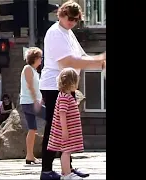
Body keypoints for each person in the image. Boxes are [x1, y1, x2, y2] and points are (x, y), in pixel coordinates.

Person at [38, 1, 106, 179]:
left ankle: (67, 168)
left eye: (76, 20)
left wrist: (98, 61)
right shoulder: (55, 33)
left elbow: (81, 56)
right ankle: (46, 170)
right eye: (70, 18)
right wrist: (98, 60)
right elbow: (68, 61)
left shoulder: (68, 33)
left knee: (67, 126)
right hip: (55, 86)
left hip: (68, 86)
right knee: (55, 128)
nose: (73, 22)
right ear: (61, 14)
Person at [48, 67, 83, 180]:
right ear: (71, 82)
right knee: (66, 152)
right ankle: (67, 174)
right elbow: (62, 114)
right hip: (66, 131)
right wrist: (65, 130)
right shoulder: (65, 97)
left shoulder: (65, 96)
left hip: (69, 130)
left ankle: (65, 173)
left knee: (66, 151)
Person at [20, 47, 44, 165]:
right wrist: (36, 101)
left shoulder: (35, 72)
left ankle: (29, 156)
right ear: (35, 58)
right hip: (30, 102)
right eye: (40, 57)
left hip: (30, 102)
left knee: (32, 129)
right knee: (52, 117)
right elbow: (30, 86)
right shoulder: (28, 68)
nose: (41, 60)